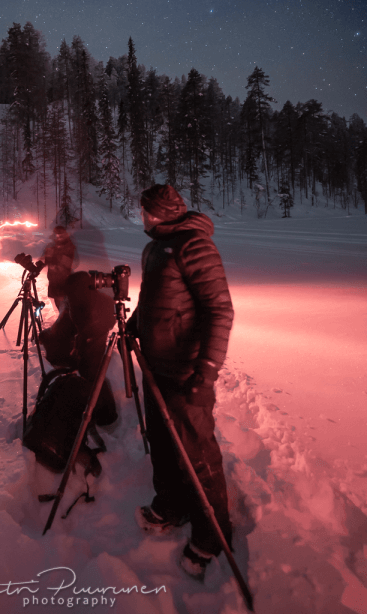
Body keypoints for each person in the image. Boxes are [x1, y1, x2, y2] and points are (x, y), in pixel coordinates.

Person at [128, 183, 234, 582]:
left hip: (187, 372)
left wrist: (207, 369)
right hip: (157, 367)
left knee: (198, 454)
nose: (141, 216)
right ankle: (171, 505)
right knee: (163, 445)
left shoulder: (193, 245)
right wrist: (135, 326)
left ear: (156, 212)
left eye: (144, 210)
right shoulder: (157, 246)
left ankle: (214, 532)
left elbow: (220, 310)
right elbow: (153, 298)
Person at [39, 225, 77, 311]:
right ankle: (62, 317)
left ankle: (66, 320)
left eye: (61, 234)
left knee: (65, 305)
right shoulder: (51, 246)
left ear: (65, 234)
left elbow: (74, 263)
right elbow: (44, 259)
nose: (59, 236)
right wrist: (41, 263)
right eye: (57, 233)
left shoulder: (69, 246)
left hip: (64, 280)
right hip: (53, 280)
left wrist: (58, 265)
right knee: (58, 304)